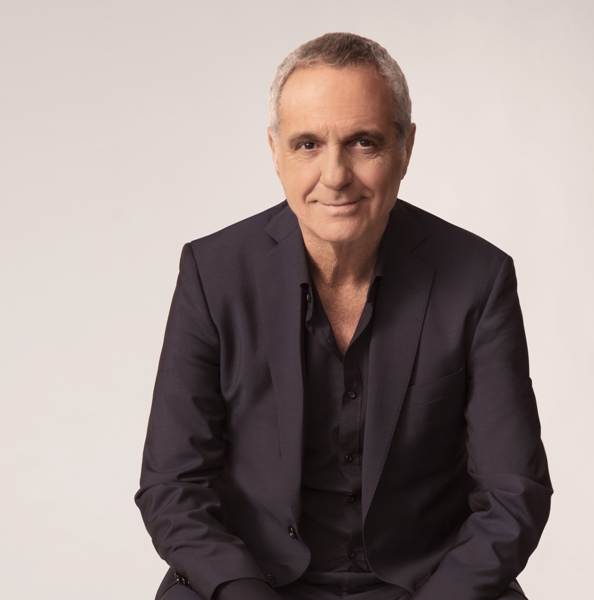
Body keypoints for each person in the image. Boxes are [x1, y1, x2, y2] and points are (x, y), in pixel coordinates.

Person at [135, 32, 552, 600]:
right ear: (275, 152)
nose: (335, 174)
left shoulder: (480, 279)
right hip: (253, 581)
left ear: (405, 148)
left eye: (363, 142)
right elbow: (173, 485)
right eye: (307, 144)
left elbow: (514, 493)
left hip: (430, 583)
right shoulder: (212, 274)